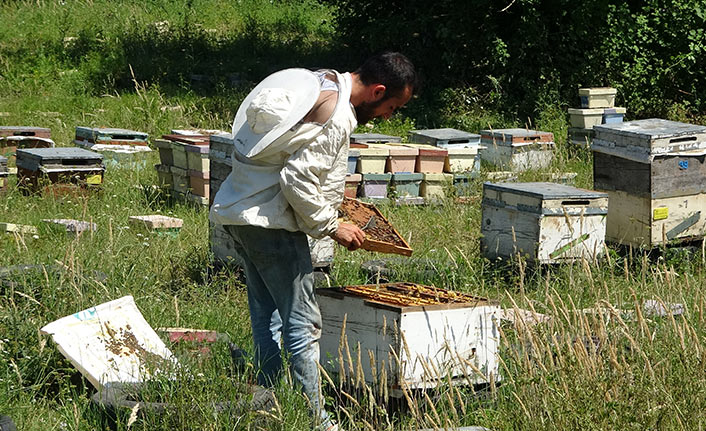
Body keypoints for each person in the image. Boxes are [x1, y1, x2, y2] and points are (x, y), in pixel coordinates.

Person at [209, 52, 417, 430]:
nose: (389, 115)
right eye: (392, 106)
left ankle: (269, 400)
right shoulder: (337, 117)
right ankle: (316, 420)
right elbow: (296, 180)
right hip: (271, 222)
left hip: (240, 212)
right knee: (303, 322)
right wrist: (332, 224)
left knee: (268, 314)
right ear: (378, 91)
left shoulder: (322, 80)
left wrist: (333, 203)